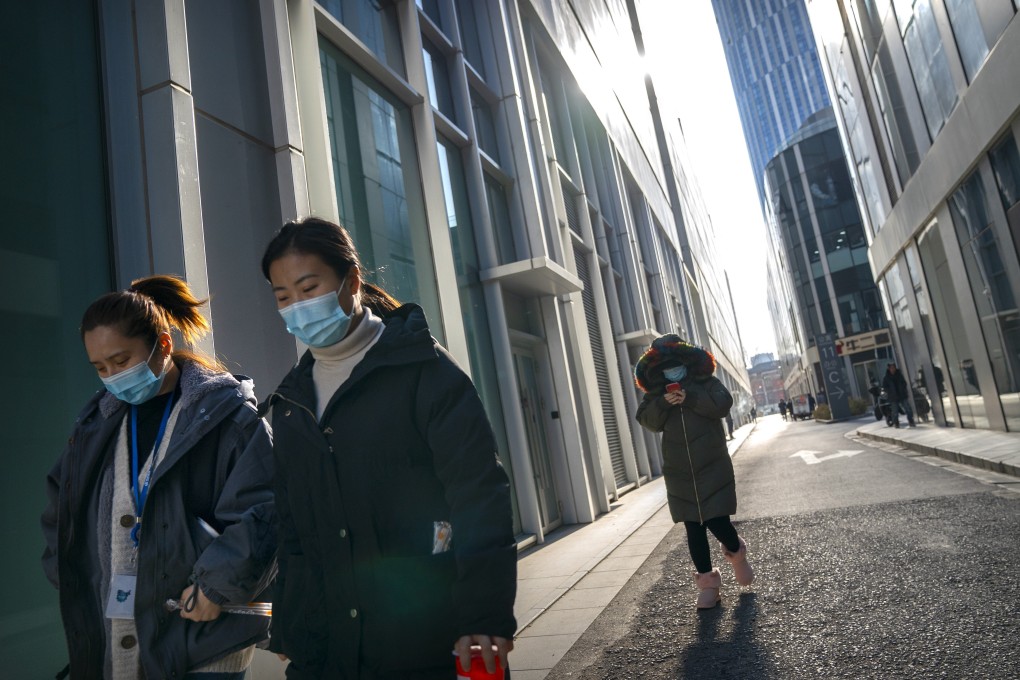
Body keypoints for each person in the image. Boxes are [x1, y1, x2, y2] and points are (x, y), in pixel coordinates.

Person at [261, 217, 517, 679]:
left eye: (308, 286)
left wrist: (484, 615)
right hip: (325, 648)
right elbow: (291, 524)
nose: (297, 306)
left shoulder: (426, 373)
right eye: (283, 297)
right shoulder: (290, 401)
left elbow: (479, 496)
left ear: (352, 281)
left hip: (423, 637)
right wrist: (289, 622)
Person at [41, 275, 276, 679]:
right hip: (120, 637)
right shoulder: (94, 427)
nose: (113, 376)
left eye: (122, 361)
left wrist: (216, 587)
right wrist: (74, 577)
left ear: (163, 345)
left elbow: (266, 510)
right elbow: (61, 512)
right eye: (100, 367)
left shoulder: (229, 417)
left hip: (204, 642)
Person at [635, 335, 754, 610]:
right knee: (693, 526)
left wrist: (689, 398)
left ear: (689, 362)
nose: (671, 370)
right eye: (665, 367)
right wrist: (664, 402)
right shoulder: (655, 394)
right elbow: (647, 421)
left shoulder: (706, 382)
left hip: (711, 463)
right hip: (679, 471)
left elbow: (723, 405)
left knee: (716, 520)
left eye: (676, 365)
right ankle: (708, 585)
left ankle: (737, 554)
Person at [882, 362, 916, 428]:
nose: (893, 369)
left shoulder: (899, 375)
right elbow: (884, 387)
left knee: (907, 408)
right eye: (891, 368)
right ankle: (896, 423)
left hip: (902, 395)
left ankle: (911, 420)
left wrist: (903, 389)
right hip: (893, 397)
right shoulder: (886, 378)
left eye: (893, 367)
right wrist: (890, 392)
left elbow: (904, 383)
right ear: (889, 369)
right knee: (895, 411)